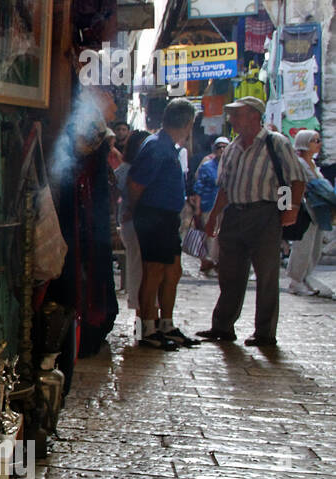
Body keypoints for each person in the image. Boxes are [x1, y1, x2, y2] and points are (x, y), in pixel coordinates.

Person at [197, 96, 308, 348]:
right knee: (229, 272)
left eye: (238, 114)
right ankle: (222, 326)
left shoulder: (275, 143)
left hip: (265, 213)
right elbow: (224, 186)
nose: (232, 119)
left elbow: (294, 178)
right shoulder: (233, 147)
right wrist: (215, 215)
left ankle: (265, 332)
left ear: (254, 116)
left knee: (266, 274)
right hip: (235, 214)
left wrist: (289, 209)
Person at [127, 99, 199, 349]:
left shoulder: (170, 146)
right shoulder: (156, 146)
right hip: (153, 215)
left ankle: (165, 324)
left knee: (172, 270)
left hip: (166, 217)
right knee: (153, 271)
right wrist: (134, 211)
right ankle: (147, 328)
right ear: (188, 123)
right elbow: (136, 185)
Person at [286, 130, 336, 298]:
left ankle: (305, 276)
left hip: (317, 211)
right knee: (303, 246)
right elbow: (316, 186)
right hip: (304, 210)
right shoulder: (299, 163)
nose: (319, 144)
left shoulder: (313, 164)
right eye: (315, 140)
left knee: (315, 247)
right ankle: (296, 280)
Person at [115, 129, 150, 324]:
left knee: (139, 269)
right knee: (139, 270)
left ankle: (143, 318)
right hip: (133, 225)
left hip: (133, 225)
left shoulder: (126, 169)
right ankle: (140, 320)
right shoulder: (129, 169)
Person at [191, 137, 230, 275]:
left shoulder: (231, 166)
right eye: (219, 147)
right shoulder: (207, 166)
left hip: (227, 208)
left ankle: (221, 263)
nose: (222, 150)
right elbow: (199, 187)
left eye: (225, 147)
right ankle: (210, 263)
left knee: (224, 237)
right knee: (210, 237)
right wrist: (198, 207)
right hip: (209, 205)